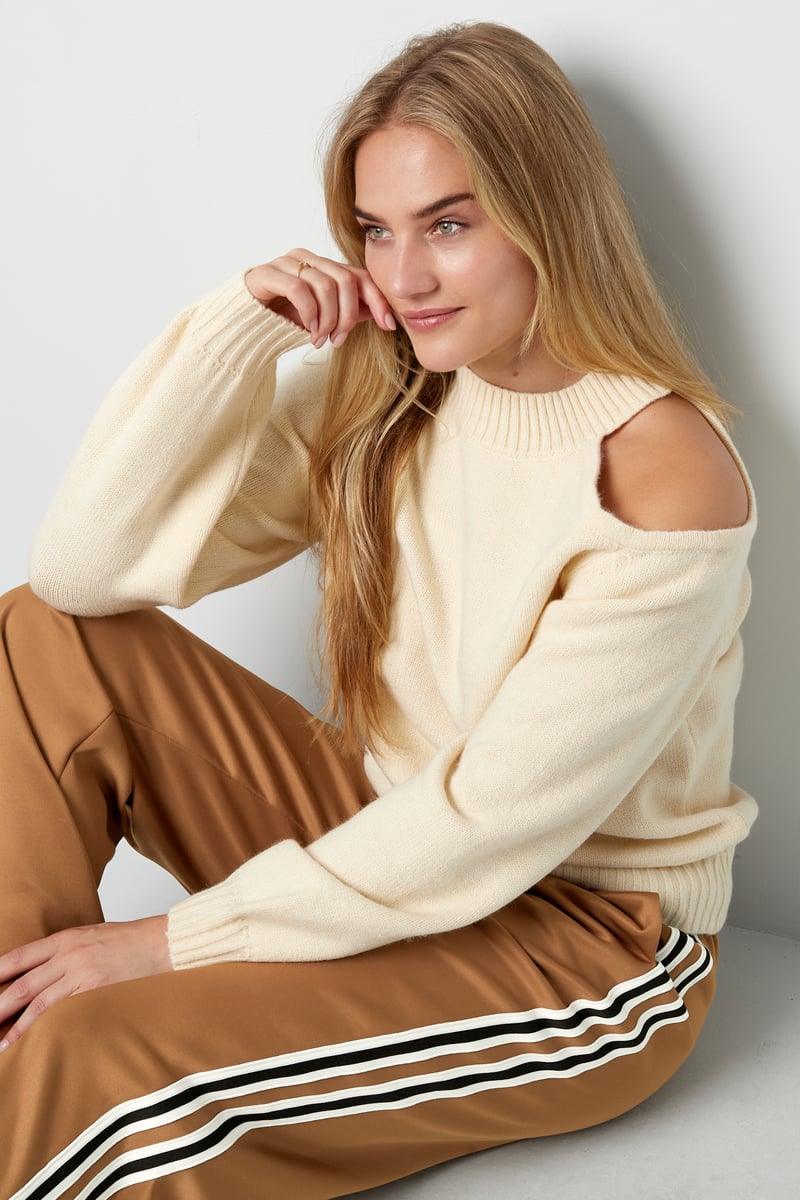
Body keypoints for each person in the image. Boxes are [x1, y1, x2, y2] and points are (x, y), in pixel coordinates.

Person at [0, 19, 756, 1199]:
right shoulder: (390, 393)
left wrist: (165, 945)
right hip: (381, 829)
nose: (403, 279)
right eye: (374, 230)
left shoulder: (658, 472)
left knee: (103, 1054)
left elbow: (486, 822)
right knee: (38, 640)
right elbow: (82, 575)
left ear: (547, 215)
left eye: (448, 225)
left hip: (579, 943)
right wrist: (235, 329)